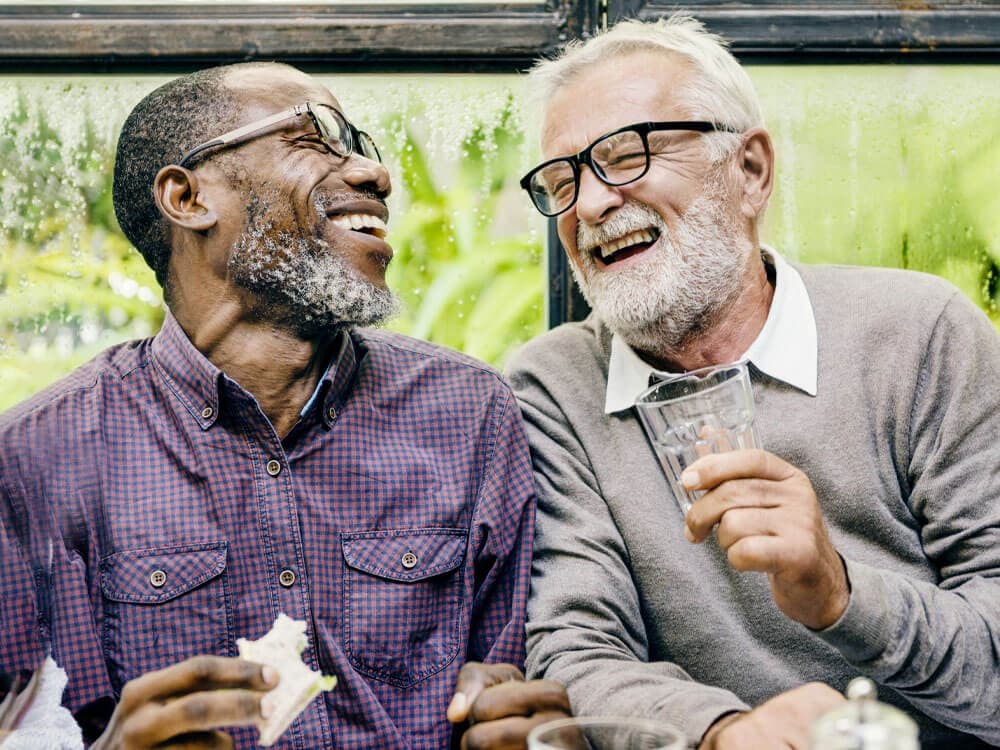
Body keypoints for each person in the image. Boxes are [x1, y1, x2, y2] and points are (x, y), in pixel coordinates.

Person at [0, 61, 570, 749]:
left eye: (362, 145)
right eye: (314, 139)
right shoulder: (35, 458)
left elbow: (511, 688)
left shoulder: (470, 412)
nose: (375, 176)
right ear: (187, 198)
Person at [507, 14, 1000, 750]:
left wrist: (838, 593)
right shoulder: (549, 389)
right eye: (562, 179)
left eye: (626, 154)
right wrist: (723, 733)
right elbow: (573, 652)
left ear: (750, 171)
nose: (589, 204)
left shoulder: (921, 333)